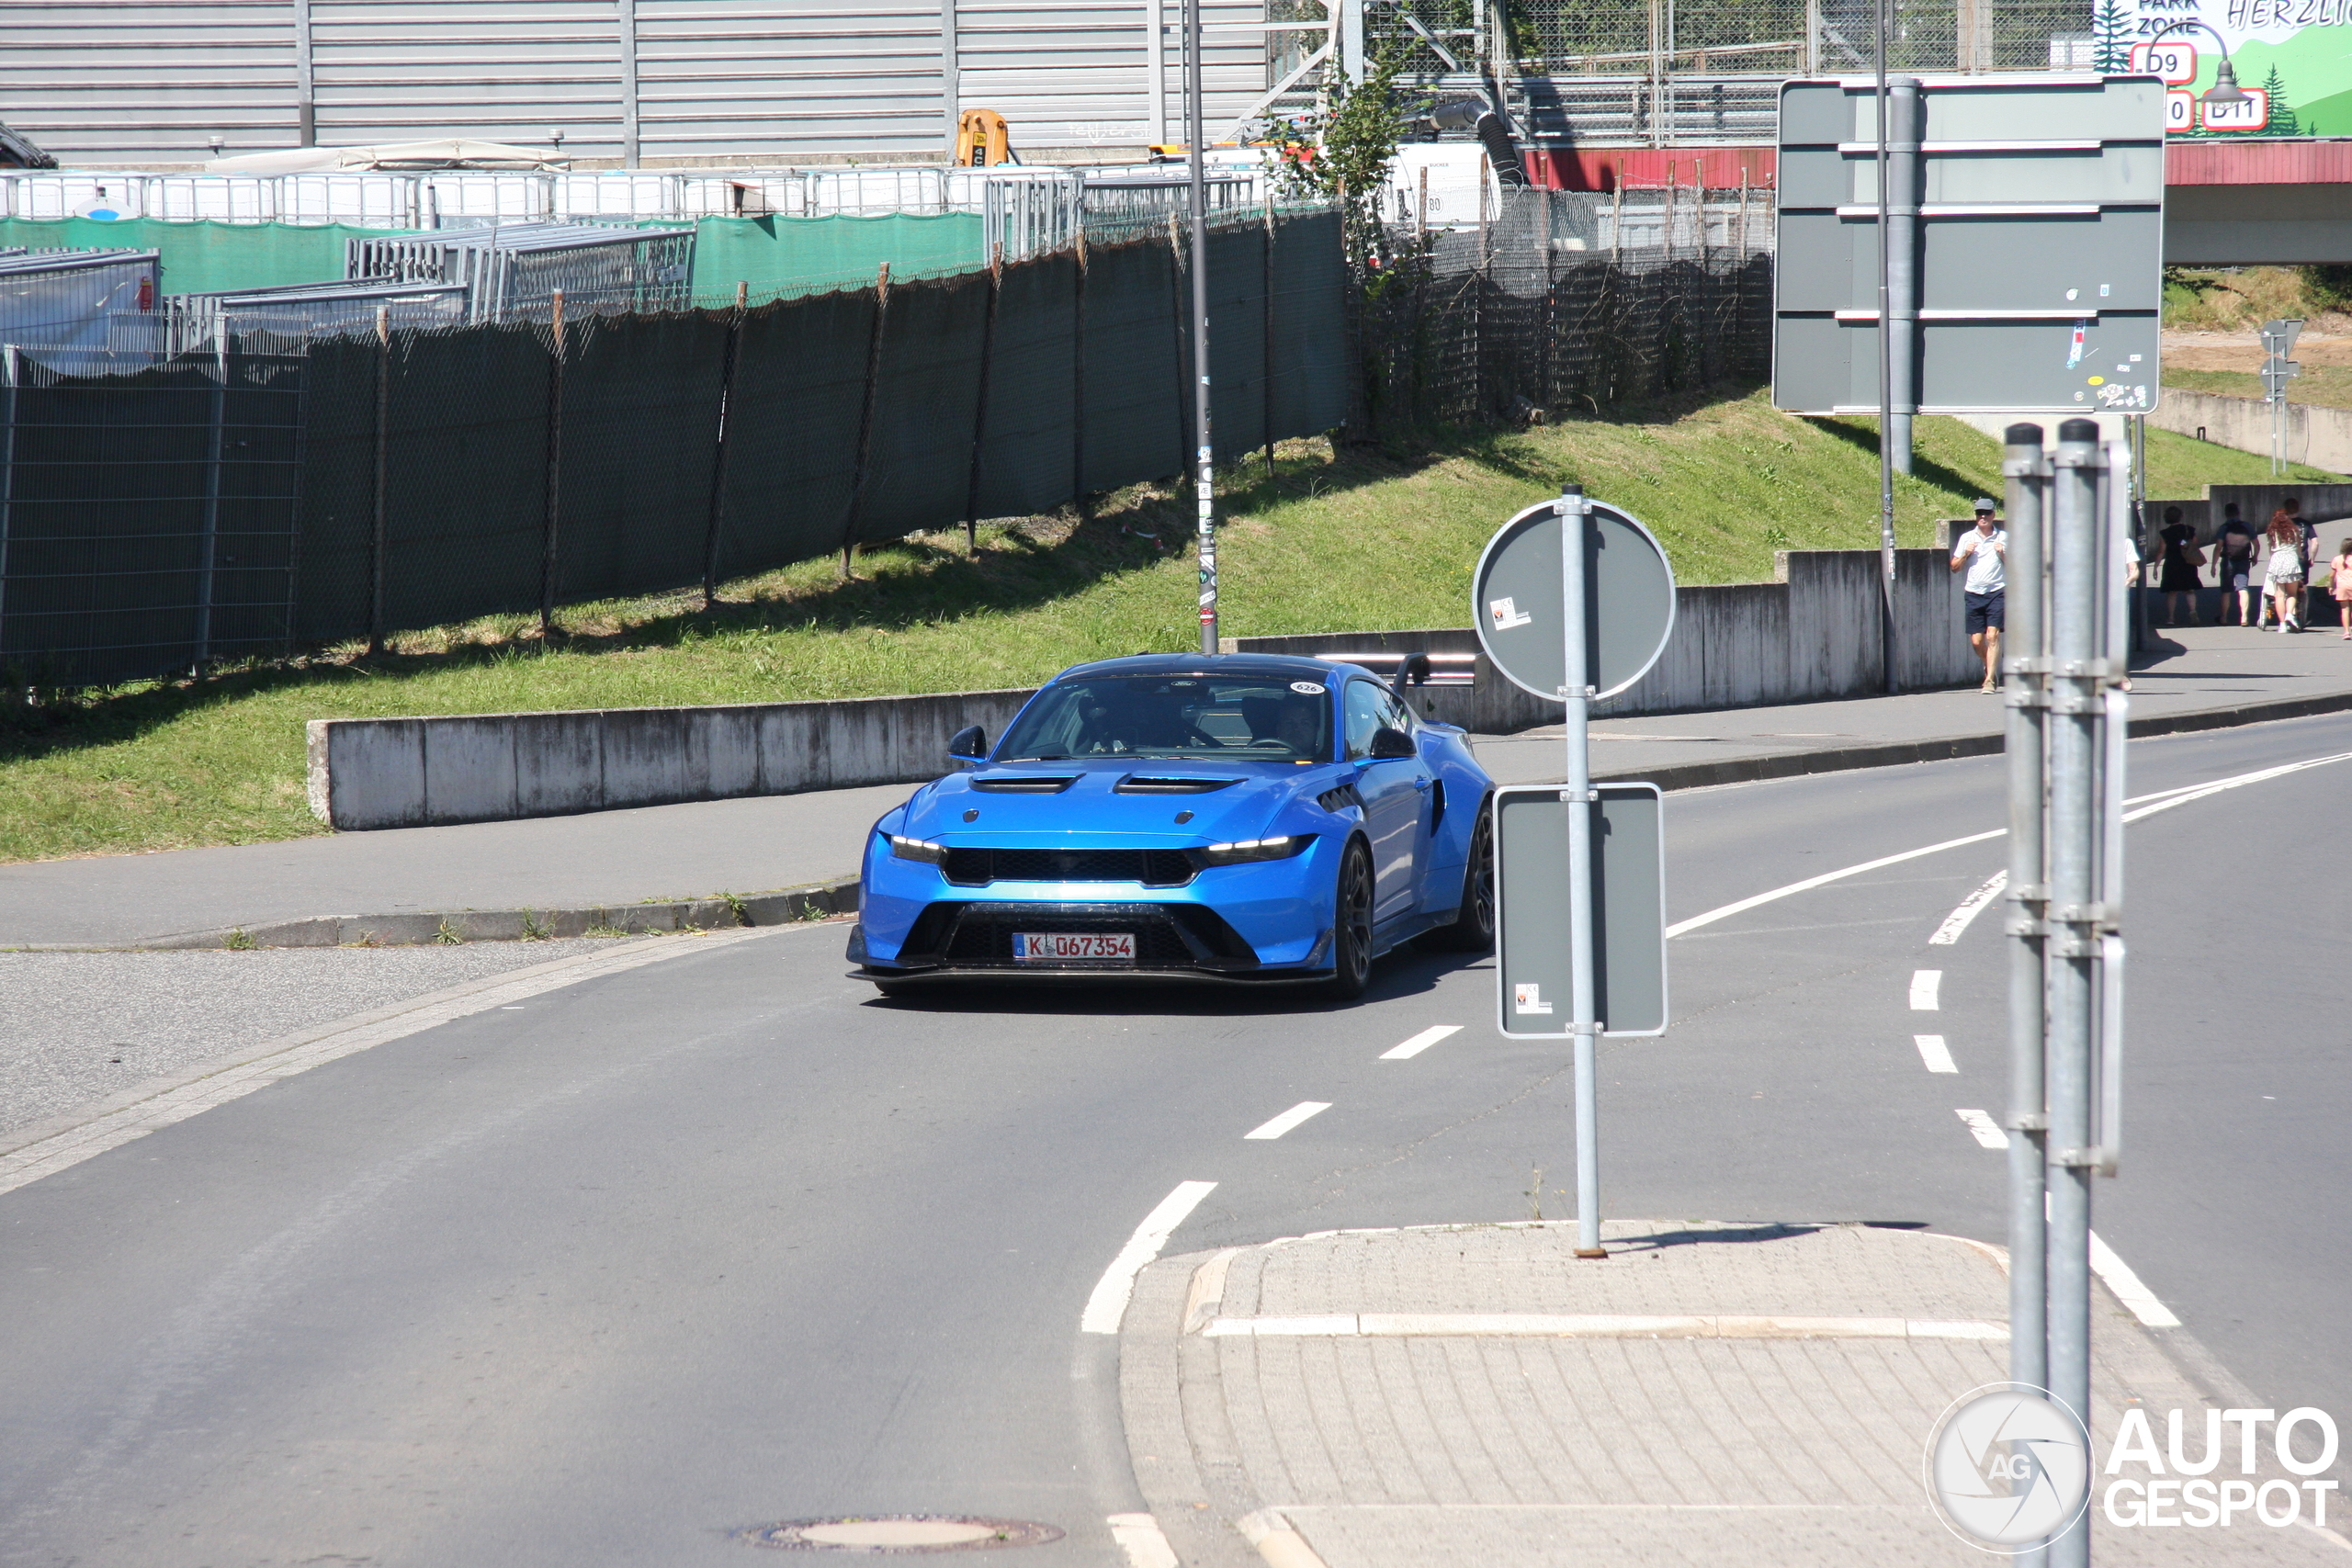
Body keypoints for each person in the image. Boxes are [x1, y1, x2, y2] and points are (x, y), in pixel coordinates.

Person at [1950, 499, 2006, 693]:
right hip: (1973, 592)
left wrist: (2003, 554)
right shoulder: (1967, 538)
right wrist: (1965, 554)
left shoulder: (2003, 538)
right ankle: (1988, 664)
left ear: (1993, 515)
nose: (1983, 517)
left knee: (1992, 635)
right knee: (1976, 640)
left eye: (1987, 513)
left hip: (1997, 591)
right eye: (1979, 513)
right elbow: (1954, 568)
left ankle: (1989, 680)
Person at [2265, 502, 2309, 632]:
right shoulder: (2294, 531)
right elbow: (2299, 550)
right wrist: (2300, 557)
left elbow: (2271, 549)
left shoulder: (2272, 532)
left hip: (2277, 561)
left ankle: (2282, 624)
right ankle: (2290, 613)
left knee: (2279, 594)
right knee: (2292, 593)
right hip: (2291, 560)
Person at [2213, 502, 2259, 626]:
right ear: (2238, 513)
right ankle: (2244, 617)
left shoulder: (2224, 528)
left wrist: (2213, 565)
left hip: (2228, 561)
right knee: (2243, 588)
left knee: (2226, 591)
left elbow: (2218, 547)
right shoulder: (2247, 526)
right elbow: (2256, 544)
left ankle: (2223, 618)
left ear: (2226, 514)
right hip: (2244, 560)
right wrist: (2255, 556)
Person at [2155, 506, 2203, 626]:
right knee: (2189, 590)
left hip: (2172, 564)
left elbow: (2161, 551)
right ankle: (2193, 611)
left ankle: (2171, 618)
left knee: (2172, 592)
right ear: (2181, 516)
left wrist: (2156, 566)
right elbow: (2195, 544)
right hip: (2188, 563)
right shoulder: (2189, 530)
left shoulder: (2165, 533)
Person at [2331, 537, 2352, 639]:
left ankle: (2346, 632)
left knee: (2345, 609)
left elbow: (2331, 575)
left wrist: (2331, 586)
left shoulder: (2337, 559)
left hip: (2343, 586)